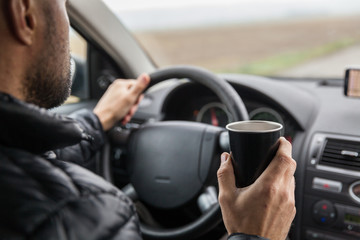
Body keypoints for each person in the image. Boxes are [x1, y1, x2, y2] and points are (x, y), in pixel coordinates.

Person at [0, 0, 296, 239]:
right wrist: (253, 235)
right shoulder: (83, 214)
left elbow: (33, 157)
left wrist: (98, 121)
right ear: (24, 12)